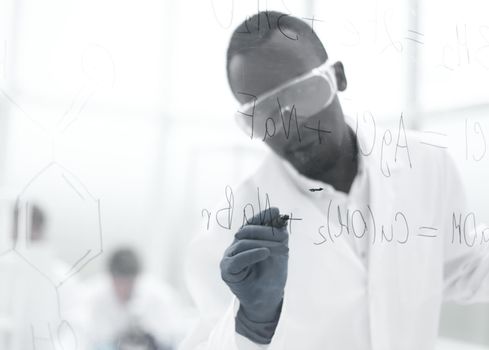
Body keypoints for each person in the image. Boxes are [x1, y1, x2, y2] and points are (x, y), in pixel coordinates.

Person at [180, 11, 489, 350]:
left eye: (301, 94)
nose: (289, 127)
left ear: (337, 77)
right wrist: (252, 324)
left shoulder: (426, 164)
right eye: (264, 115)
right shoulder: (231, 225)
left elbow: (461, 267)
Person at [80, 247, 188, 350]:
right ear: (110, 277)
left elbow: (176, 334)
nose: (122, 289)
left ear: (137, 278)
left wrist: (153, 340)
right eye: (118, 283)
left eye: (127, 284)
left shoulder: (160, 295)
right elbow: (83, 334)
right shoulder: (92, 294)